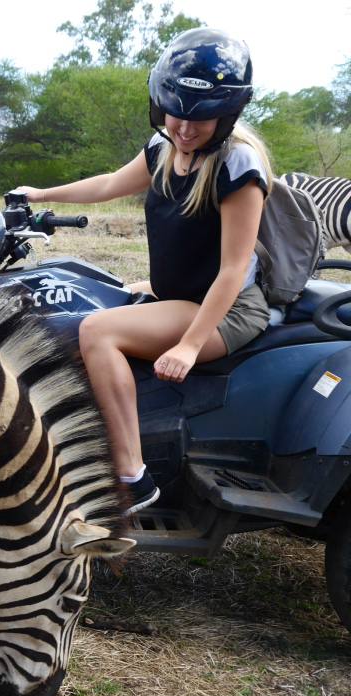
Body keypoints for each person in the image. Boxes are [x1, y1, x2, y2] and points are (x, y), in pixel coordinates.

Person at [14, 28, 273, 512]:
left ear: (229, 114)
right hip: (177, 294)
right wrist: (42, 195)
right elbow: (110, 183)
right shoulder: (163, 151)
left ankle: (133, 477)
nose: (186, 128)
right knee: (78, 308)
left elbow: (234, 270)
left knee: (98, 332)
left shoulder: (239, 166)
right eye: (177, 114)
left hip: (225, 308)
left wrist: (191, 344)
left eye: (202, 119)